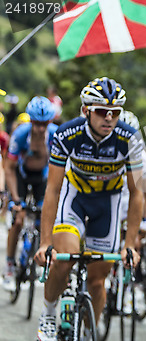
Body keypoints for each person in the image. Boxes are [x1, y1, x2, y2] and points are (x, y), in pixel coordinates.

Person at [33, 77, 143, 341]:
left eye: (115, 113)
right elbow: (53, 190)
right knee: (65, 258)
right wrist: (44, 241)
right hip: (75, 198)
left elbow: (137, 193)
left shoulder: (130, 138)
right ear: (86, 111)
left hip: (108, 204)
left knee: (97, 279)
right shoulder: (66, 134)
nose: (109, 118)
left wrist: (130, 245)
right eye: (102, 112)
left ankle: (87, 333)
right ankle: (49, 312)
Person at [2, 96, 58, 292]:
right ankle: (9, 265)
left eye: (44, 124)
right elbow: (8, 168)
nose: (40, 128)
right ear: (31, 121)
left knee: (44, 220)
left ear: (49, 122)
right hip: (21, 175)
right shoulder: (20, 134)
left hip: (42, 178)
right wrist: (16, 200)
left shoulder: (55, 135)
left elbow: (58, 171)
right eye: (36, 123)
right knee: (18, 220)